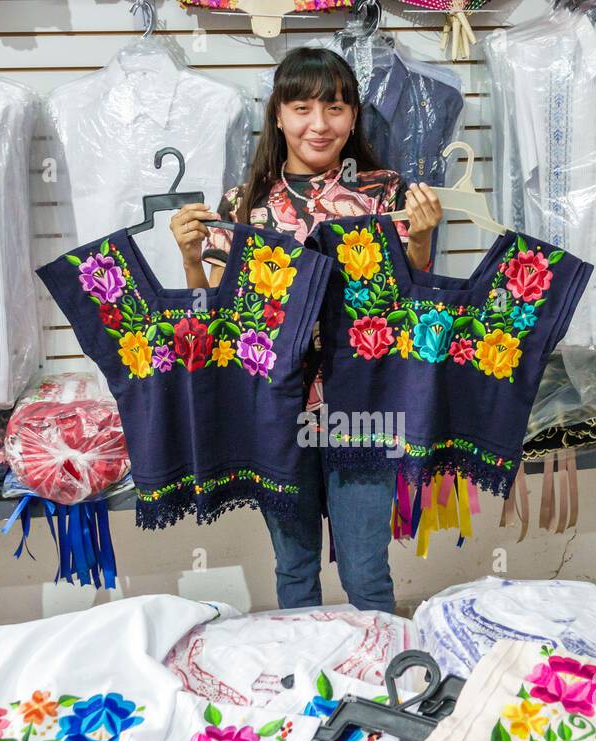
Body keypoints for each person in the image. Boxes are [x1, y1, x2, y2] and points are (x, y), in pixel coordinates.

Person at [169, 47, 443, 614]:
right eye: (301, 108)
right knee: (294, 567)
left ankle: (383, 685)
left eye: (335, 108)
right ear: (276, 114)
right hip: (276, 408)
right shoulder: (242, 206)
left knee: (367, 570)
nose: (319, 125)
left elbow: (411, 305)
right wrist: (191, 257)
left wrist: (419, 240)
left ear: (353, 116)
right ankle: (305, 689)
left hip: (365, 407)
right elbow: (216, 317)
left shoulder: (384, 194)